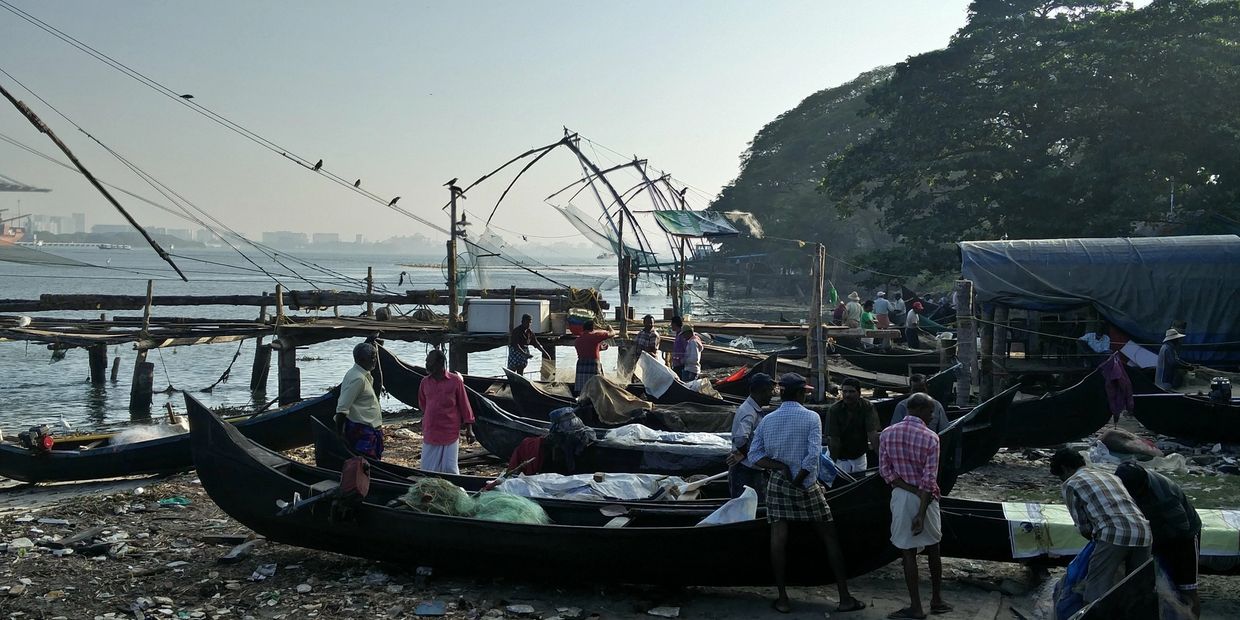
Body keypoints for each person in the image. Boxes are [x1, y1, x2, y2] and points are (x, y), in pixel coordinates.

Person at [747, 373, 865, 614]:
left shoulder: (768, 420)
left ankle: (783, 599)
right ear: (801, 394)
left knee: (778, 540)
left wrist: (781, 468)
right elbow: (812, 457)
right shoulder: (811, 417)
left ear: (782, 393)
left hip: (779, 483)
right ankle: (844, 597)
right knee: (829, 536)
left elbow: (754, 456)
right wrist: (799, 479)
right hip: (806, 485)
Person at [880, 393, 951, 619]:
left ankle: (916, 607)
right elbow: (929, 481)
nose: (932, 416)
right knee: (933, 548)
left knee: (907, 552)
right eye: (930, 411)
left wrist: (908, 488)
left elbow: (886, 472)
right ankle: (937, 599)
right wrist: (921, 511)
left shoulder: (887, 434)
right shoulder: (931, 438)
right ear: (920, 410)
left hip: (901, 496)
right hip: (926, 500)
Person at [1050, 448, 1152, 604]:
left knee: (1097, 587)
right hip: (1144, 531)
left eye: (1060, 476)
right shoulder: (1110, 476)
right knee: (1137, 588)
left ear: (1064, 469)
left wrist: (1096, 549)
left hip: (1113, 533)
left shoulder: (1071, 483)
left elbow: (1084, 527)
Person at [1116, 462, 1202, 617]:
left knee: (1187, 589)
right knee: (1151, 586)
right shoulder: (1122, 484)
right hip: (1154, 535)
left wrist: (1153, 542)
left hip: (1184, 539)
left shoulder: (1165, 495)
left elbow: (1182, 529)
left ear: (1143, 487)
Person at [417, 349, 476, 474]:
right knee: (427, 468)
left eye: (430, 361)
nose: (427, 364)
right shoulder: (425, 382)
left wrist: (469, 430)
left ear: (440, 363)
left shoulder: (455, 381)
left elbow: (464, 405)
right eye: (427, 361)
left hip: (449, 431)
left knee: (449, 468)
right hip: (431, 431)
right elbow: (423, 404)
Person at [726, 372, 774, 499]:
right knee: (747, 507)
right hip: (746, 471)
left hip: (750, 468)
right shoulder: (749, 413)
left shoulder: (752, 410)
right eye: (770, 391)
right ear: (761, 391)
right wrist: (749, 455)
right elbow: (741, 439)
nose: (772, 395)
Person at [335, 341, 385, 459]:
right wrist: (339, 434)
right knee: (364, 463)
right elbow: (342, 408)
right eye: (372, 358)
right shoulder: (357, 378)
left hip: (369, 429)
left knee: (370, 464)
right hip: (362, 430)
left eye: (375, 357)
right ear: (362, 359)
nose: (375, 361)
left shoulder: (364, 375)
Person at [825, 377, 880, 474]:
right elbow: (834, 440)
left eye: (851, 392)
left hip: (859, 455)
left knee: (861, 482)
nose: (847, 395)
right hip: (840, 457)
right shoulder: (834, 410)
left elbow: (872, 435)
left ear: (859, 393)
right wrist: (832, 463)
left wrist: (881, 458)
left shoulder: (867, 407)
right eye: (845, 391)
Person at [574, 319, 612, 393]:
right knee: (596, 386)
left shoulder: (578, 340)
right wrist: (610, 327)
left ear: (583, 329)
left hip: (581, 364)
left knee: (582, 387)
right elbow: (612, 334)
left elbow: (586, 349)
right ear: (593, 329)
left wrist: (600, 348)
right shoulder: (595, 336)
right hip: (593, 364)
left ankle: (581, 400)